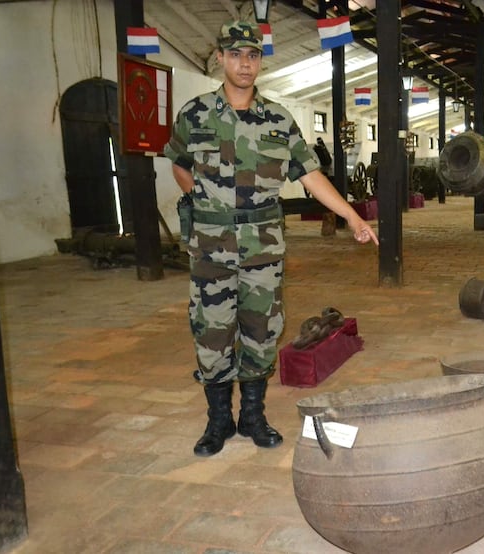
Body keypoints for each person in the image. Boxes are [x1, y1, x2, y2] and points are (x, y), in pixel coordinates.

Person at [164, 19, 378, 457]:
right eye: (236, 55)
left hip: (262, 245)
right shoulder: (195, 114)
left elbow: (311, 176)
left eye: (253, 55)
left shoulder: (279, 120)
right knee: (212, 331)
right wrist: (203, 203)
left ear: (261, 61)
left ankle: (254, 416)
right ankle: (218, 420)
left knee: (261, 331)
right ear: (220, 57)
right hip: (210, 246)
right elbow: (179, 163)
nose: (245, 64)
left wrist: (353, 217)